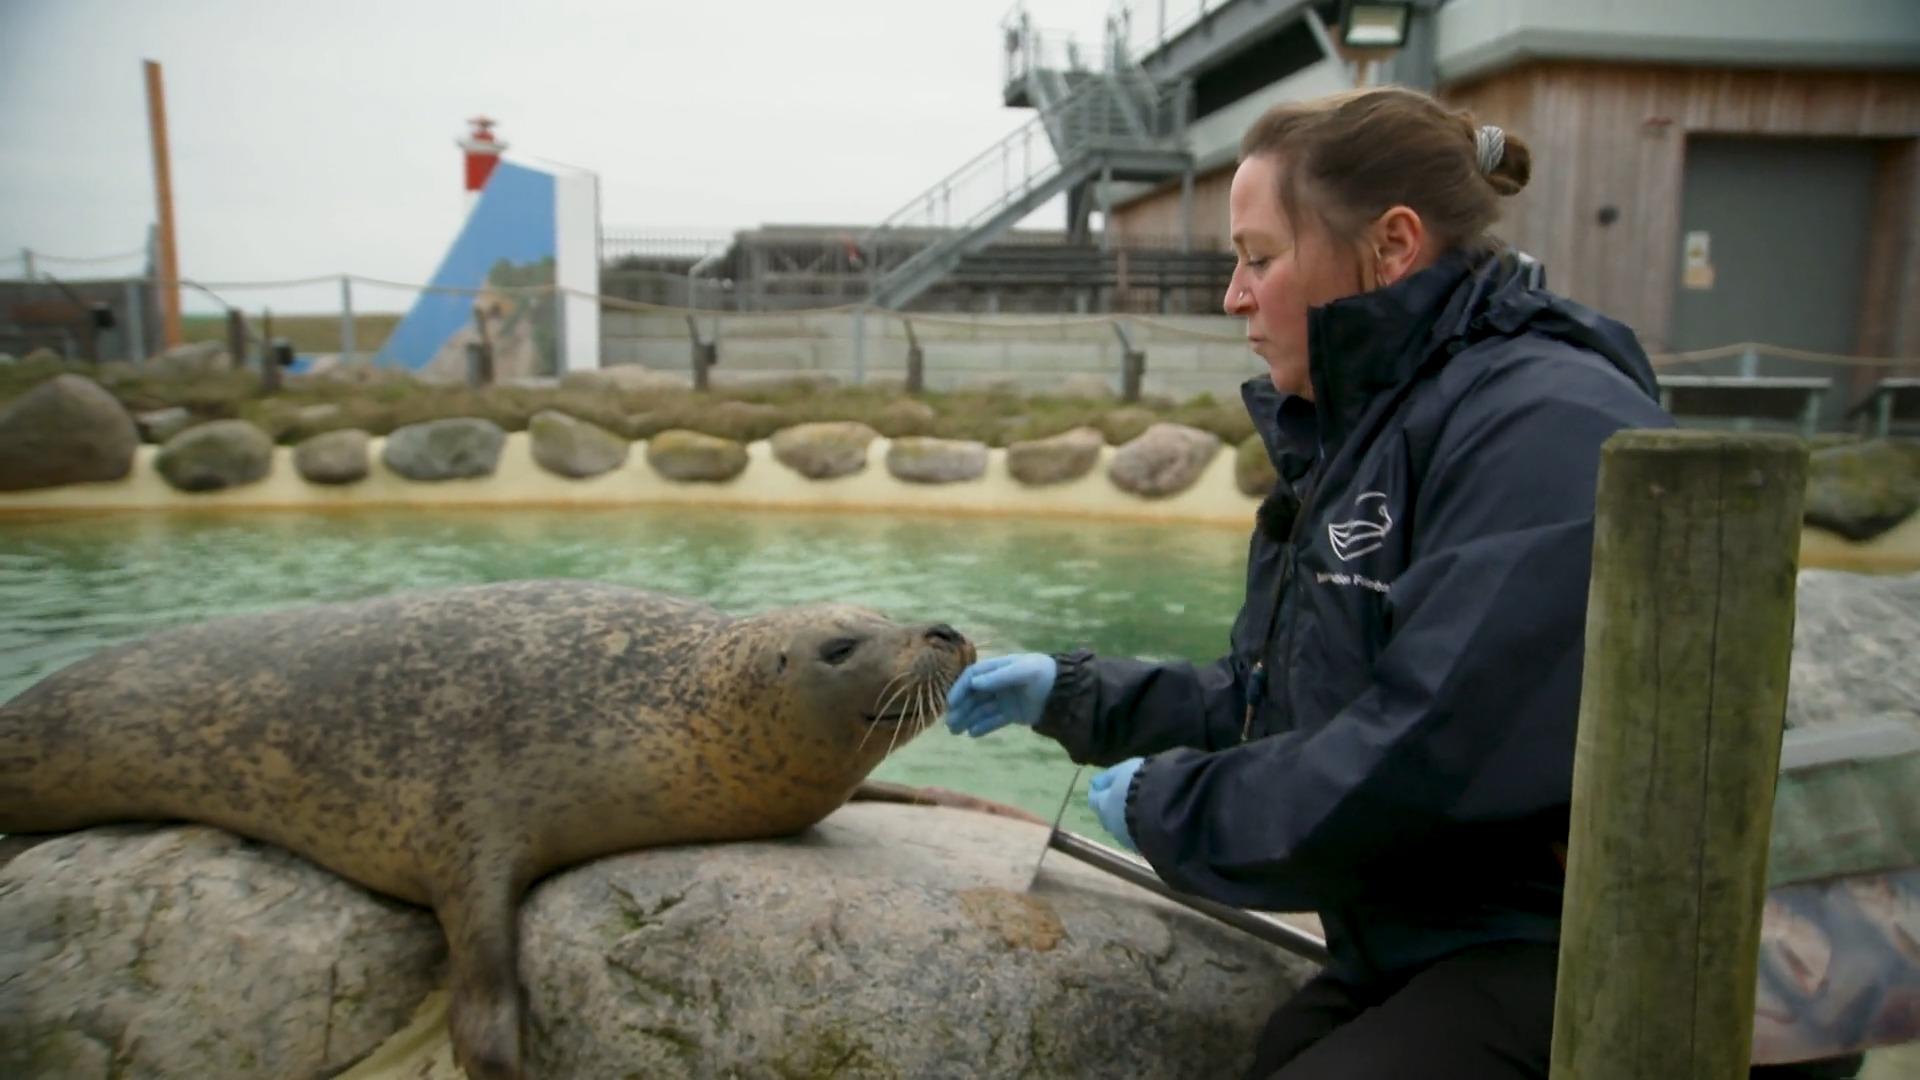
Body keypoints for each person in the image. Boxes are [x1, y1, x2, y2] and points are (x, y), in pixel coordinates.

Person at [943, 85, 1679, 1078]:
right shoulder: (1359, 431)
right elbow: (1272, 701)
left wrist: (1175, 806)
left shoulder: (1542, 421)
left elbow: (1434, 749)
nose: (1233, 297)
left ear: (1393, 245)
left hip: (1586, 945)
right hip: (1434, 929)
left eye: (1258, 259)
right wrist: (1075, 695)